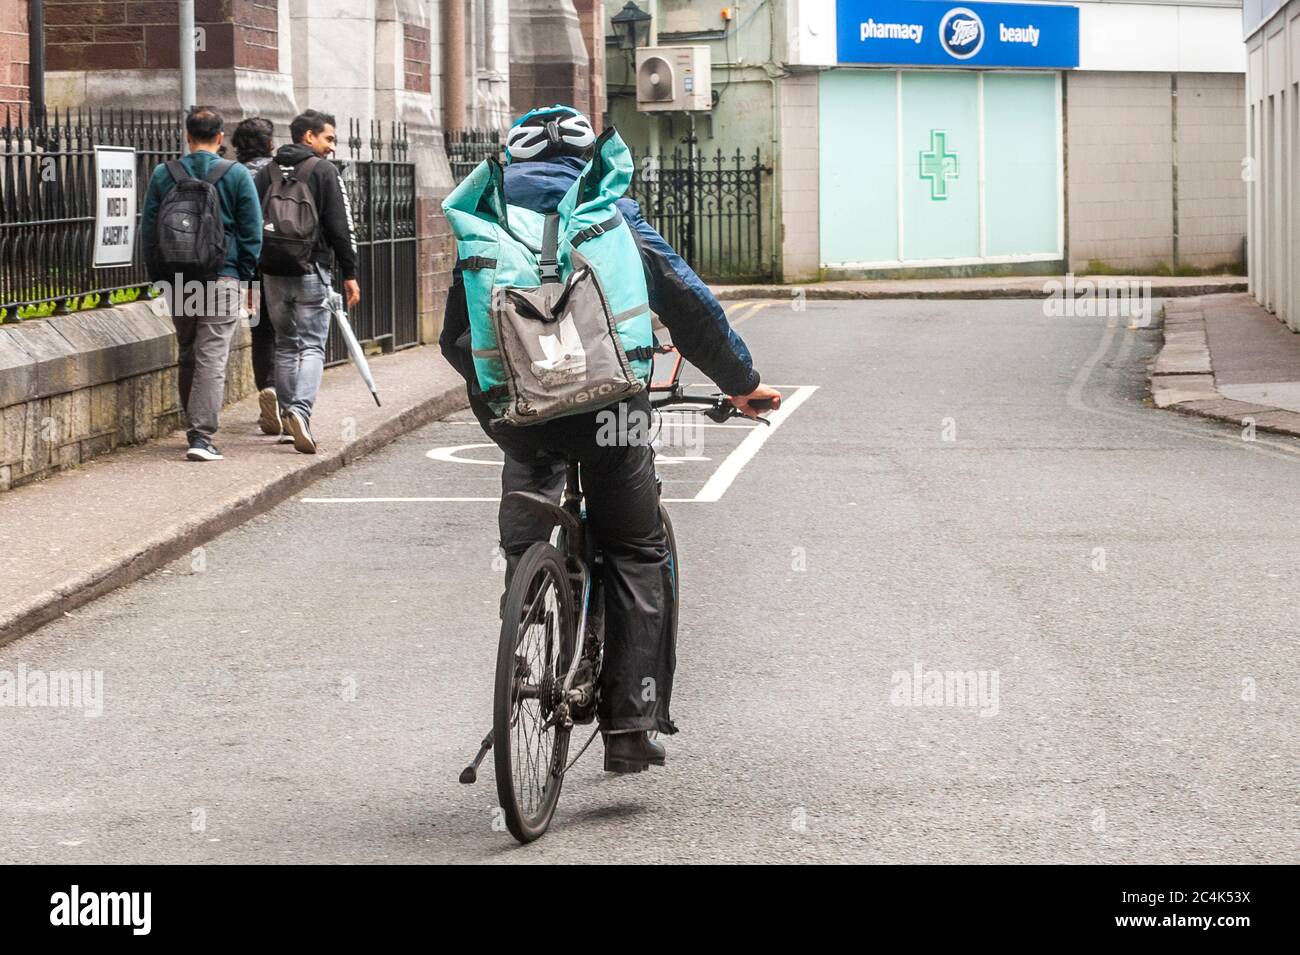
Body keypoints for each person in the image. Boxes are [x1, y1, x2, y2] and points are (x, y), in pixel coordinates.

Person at [439, 105, 781, 773]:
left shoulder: (489, 223)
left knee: (530, 484)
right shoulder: (609, 212)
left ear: (515, 159)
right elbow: (687, 305)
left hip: (520, 412)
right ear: (584, 157)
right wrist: (742, 382)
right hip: (609, 411)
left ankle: (531, 589)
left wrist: (506, 396)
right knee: (634, 546)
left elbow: (458, 334)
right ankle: (630, 724)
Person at [141, 105, 262, 462]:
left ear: (188, 136)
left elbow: (150, 228)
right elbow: (252, 231)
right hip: (221, 275)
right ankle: (201, 434)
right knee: (212, 356)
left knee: (188, 350)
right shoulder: (237, 175)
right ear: (220, 137)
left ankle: (192, 426)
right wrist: (245, 276)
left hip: (178, 278)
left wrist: (159, 277)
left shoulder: (165, 173)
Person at [253, 109, 360, 454]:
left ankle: (288, 422)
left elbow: (252, 224)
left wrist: (252, 275)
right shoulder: (323, 171)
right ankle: (300, 411)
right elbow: (338, 226)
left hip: (272, 271)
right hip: (311, 268)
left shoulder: (266, 172)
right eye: (328, 138)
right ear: (308, 137)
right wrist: (350, 273)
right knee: (313, 345)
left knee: (285, 344)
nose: (331, 146)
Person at [230, 116, 281, 438]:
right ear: (269, 143)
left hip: (249, 265)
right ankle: (290, 399)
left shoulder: (233, 174)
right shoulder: (280, 172)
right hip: (285, 260)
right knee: (291, 335)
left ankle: (268, 387)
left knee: (261, 333)